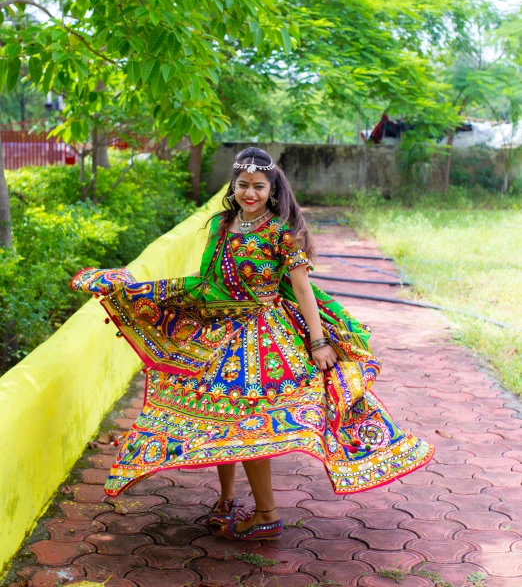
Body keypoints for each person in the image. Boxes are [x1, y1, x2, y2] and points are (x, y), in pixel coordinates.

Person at [71, 146, 434, 541]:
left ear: (272, 190)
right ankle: (226, 499)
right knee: (222, 423)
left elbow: (302, 289)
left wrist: (318, 342)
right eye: (243, 185)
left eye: (259, 187)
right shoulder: (221, 225)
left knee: (249, 425)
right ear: (233, 185)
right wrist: (144, 293)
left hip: (264, 338)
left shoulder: (282, 232)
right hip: (223, 331)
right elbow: (207, 281)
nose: (250, 193)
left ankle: (266, 513)